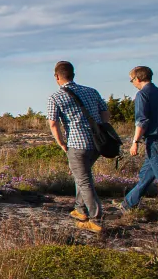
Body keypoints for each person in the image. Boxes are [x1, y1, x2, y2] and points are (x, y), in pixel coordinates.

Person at [46, 60, 110, 233]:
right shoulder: (91, 91)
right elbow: (105, 112)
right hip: (97, 143)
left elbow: (53, 123)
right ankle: (80, 210)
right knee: (83, 176)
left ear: (57, 76)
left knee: (83, 180)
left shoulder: (56, 97)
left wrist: (61, 143)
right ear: (73, 74)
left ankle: (96, 219)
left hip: (76, 143)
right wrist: (102, 128)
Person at [119, 66, 158, 212]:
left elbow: (142, 121)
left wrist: (135, 142)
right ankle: (128, 204)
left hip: (155, 141)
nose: (132, 83)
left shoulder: (142, 95)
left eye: (132, 80)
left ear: (138, 78)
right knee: (147, 176)